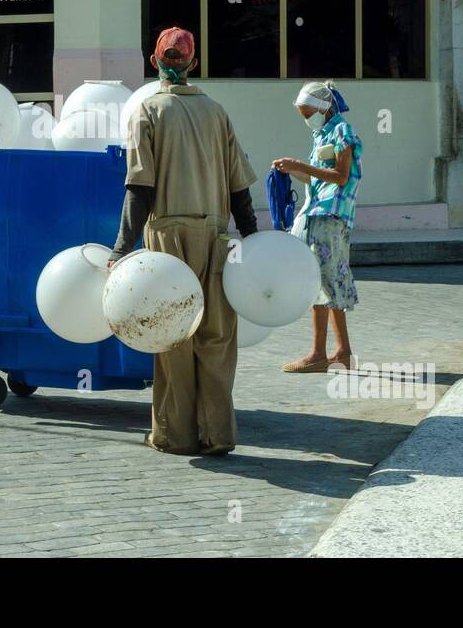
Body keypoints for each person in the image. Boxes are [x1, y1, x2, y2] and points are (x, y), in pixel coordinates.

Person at [110, 27, 258, 456]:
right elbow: (239, 188)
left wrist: (122, 247)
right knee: (215, 335)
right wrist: (253, 237)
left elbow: (140, 188)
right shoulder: (216, 112)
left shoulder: (147, 112)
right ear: (193, 64)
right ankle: (218, 434)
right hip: (215, 234)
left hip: (168, 238)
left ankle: (174, 434)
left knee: (172, 332)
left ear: (154, 61)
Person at [272, 80, 363, 374]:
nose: (305, 118)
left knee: (320, 283)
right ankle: (342, 352)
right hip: (319, 214)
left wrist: (302, 165)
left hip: (330, 217)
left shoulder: (342, 131)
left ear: (323, 107)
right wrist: (293, 171)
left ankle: (318, 354)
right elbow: (318, 181)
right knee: (328, 282)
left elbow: (339, 176)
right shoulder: (323, 133)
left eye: (307, 111)